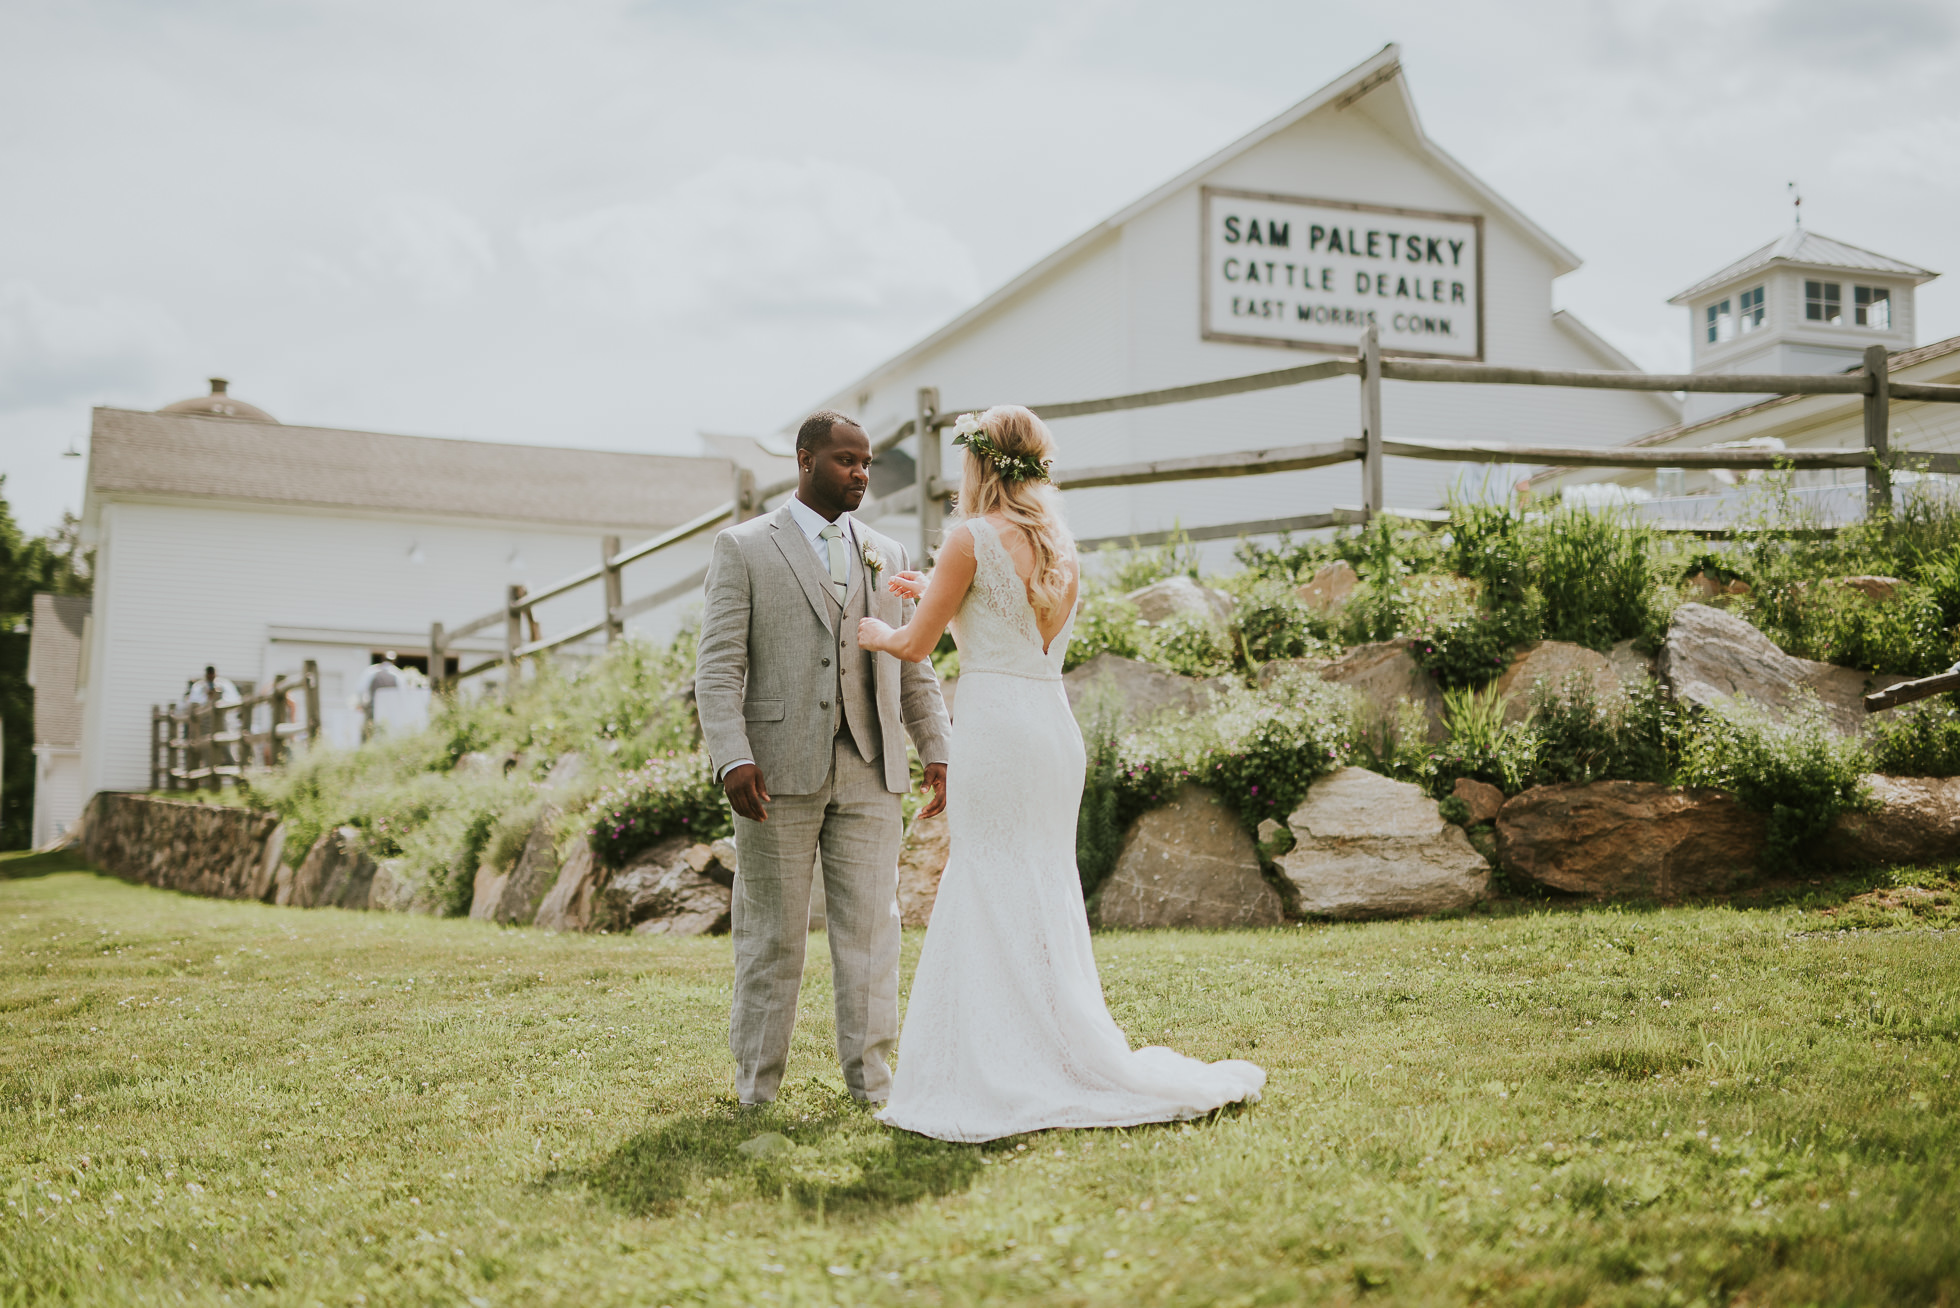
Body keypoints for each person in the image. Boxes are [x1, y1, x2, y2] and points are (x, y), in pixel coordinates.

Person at [856, 405, 1264, 1142]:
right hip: (1049, 727)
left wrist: (881, 629)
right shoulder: (1057, 544)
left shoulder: (969, 538)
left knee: (984, 872)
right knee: (1038, 877)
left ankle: (999, 1060)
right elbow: (1005, 622)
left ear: (976, 464)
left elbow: (916, 648)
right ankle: (1058, 1041)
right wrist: (936, 597)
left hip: (995, 728)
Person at [694, 410, 953, 1107]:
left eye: (866, 462)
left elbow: (914, 664)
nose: (861, 473)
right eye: (846, 461)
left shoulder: (887, 553)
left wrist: (937, 748)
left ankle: (872, 1086)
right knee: (772, 938)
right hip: (775, 773)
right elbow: (718, 670)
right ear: (805, 460)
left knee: (873, 934)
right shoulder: (744, 548)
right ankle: (757, 1088)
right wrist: (732, 758)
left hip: (872, 768)